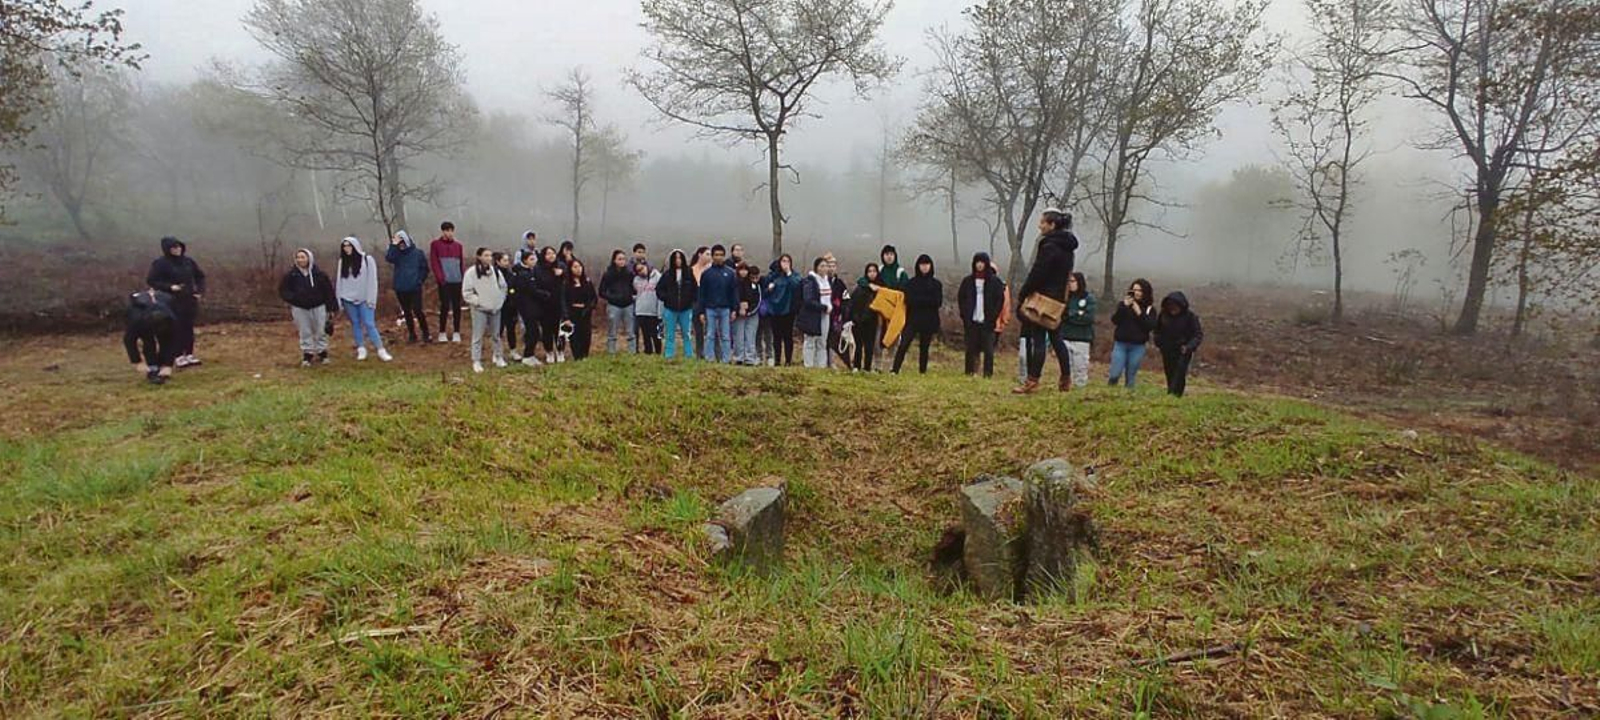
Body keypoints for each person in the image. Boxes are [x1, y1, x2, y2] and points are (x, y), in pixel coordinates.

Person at [1013, 208, 1078, 394]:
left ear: (1052, 225)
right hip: (1058, 300)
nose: (1039, 225)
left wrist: (1024, 292)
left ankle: (1032, 381)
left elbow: (1038, 272)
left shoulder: (1049, 245)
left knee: (1039, 340)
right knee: (1057, 339)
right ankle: (1065, 378)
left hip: (1042, 298)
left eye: (1042, 222)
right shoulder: (1068, 247)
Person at [145, 236, 206, 368]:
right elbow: (152, 281)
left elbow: (200, 276)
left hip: (189, 299)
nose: (177, 249)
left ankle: (189, 354)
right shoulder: (160, 263)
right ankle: (178, 356)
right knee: (175, 328)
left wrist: (199, 291)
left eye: (178, 246)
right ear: (167, 249)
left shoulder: (188, 261)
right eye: (173, 247)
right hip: (171, 301)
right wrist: (170, 287)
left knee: (188, 327)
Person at [335, 237, 393, 362]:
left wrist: (371, 299)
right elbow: (339, 281)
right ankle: (361, 348)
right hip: (347, 298)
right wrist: (339, 299)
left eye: (349, 246)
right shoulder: (342, 261)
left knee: (369, 323)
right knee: (355, 323)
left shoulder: (367, 260)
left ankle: (381, 349)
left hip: (364, 298)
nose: (347, 249)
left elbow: (372, 281)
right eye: (344, 246)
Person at [279, 248, 338, 367]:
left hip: (319, 306)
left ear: (309, 258)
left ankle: (322, 352)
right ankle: (307, 354)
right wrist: (294, 298)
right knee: (305, 331)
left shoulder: (319, 275)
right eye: (298, 257)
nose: (300, 260)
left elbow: (328, 292)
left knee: (321, 330)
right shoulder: (291, 275)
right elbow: (284, 290)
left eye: (303, 257)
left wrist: (332, 308)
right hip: (299, 308)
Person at [893, 255, 943, 375]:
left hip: (929, 320)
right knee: (904, 344)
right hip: (913, 319)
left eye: (927, 264)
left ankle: (922, 371)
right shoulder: (911, 283)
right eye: (922, 265)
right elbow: (909, 300)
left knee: (924, 347)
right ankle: (895, 369)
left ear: (930, 266)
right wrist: (925, 301)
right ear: (918, 266)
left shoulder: (936, 284)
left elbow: (937, 302)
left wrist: (920, 300)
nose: (924, 267)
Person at [958, 252, 1005, 378]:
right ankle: (969, 372)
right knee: (971, 349)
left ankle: (988, 374)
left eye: (982, 262)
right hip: (972, 321)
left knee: (989, 350)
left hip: (988, 322)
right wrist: (964, 315)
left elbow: (999, 300)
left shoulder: (995, 282)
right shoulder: (967, 281)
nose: (979, 265)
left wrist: (993, 317)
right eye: (977, 262)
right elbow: (961, 298)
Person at [461, 247, 508, 372]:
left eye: (490, 255)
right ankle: (476, 360)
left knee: (496, 335)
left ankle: (499, 357)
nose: (489, 258)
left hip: (495, 309)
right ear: (479, 257)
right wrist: (479, 302)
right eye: (486, 255)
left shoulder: (496, 272)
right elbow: (467, 292)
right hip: (479, 309)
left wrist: (499, 301)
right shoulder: (471, 273)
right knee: (478, 336)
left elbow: (503, 287)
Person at [1109, 278, 1157, 388]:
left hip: (1138, 346)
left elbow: (1150, 326)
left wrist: (1139, 312)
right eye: (1134, 290)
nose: (1136, 293)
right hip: (1121, 344)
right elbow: (1115, 320)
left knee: (1131, 376)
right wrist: (1124, 307)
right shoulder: (1123, 305)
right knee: (1115, 374)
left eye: (1139, 290)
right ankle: (1110, 392)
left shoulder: (1150, 309)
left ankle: (1128, 397)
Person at [385, 230, 432, 344]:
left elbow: (425, 269)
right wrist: (393, 245)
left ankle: (426, 333)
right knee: (406, 312)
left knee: (417, 310)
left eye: (402, 242)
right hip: (401, 288)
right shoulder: (396, 254)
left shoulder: (417, 253)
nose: (401, 245)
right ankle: (412, 335)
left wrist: (419, 280)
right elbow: (389, 258)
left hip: (414, 287)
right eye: (399, 243)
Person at [1154, 291, 1203, 397]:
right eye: (1170, 306)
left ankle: (1174, 394)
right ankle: (1171, 392)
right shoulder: (1163, 315)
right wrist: (1159, 343)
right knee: (1169, 372)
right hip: (1167, 350)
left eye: (1175, 306)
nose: (1173, 309)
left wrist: (1189, 347)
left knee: (1179, 373)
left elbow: (1197, 335)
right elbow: (1157, 331)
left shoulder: (1190, 317)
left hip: (1183, 351)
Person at [124, 287, 177, 385]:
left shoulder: (172, 318)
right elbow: (129, 340)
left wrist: (168, 364)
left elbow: (173, 340)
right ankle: (153, 368)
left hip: (164, 305)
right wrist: (137, 362)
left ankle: (162, 366)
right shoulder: (136, 319)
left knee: (166, 340)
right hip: (142, 315)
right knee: (148, 340)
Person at [699, 244, 738, 363]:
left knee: (726, 336)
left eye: (721, 255)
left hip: (725, 308)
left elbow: (733, 292)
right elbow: (702, 293)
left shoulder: (730, 273)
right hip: (710, 308)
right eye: (716, 255)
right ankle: (709, 358)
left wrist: (734, 309)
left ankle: (726, 359)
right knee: (710, 334)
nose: (719, 257)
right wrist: (701, 311)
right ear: (712, 256)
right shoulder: (706, 274)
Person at [658, 249, 698, 360]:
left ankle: (689, 355)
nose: (678, 260)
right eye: (675, 258)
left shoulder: (689, 273)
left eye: (680, 258)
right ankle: (669, 355)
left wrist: (691, 301)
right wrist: (667, 298)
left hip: (686, 309)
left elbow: (695, 289)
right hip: (670, 309)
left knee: (687, 333)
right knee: (670, 334)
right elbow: (659, 289)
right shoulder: (667, 274)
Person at [429, 221, 465, 342]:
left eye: (451, 230)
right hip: (444, 281)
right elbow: (434, 262)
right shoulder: (435, 244)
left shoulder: (458, 246)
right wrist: (441, 278)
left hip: (457, 280)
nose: (449, 233)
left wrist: (462, 277)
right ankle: (442, 331)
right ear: (443, 231)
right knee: (444, 305)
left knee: (456, 306)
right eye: (447, 230)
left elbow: (461, 263)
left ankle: (456, 331)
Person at [1060, 272, 1097, 390]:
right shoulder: (1065, 298)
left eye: (1073, 281)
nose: (1070, 284)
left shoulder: (1088, 298)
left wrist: (1071, 315)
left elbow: (1088, 318)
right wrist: (1075, 315)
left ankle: (1080, 389)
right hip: (1065, 336)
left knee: (1081, 367)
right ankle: (1067, 388)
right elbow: (1061, 316)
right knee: (1067, 367)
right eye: (1069, 282)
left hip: (1082, 338)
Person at [763, 255, 801, 366]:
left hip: (788, 310)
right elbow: (764, 293)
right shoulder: (773, 276)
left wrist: (788, 273)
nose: (785, 263)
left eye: (788, 261)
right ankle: (777, 360)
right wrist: (769, 289)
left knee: (788, 336)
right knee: (776, 337)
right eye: (783, 261)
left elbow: (796, 285)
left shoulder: (794, 276)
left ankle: (788, 360)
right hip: (774, 310)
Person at [510, 251, 546, 366]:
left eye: (534, 259)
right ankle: (527, 355)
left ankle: (530, 354)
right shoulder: (523, 274)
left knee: (534, 331)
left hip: (532, 307)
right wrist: (545, 294)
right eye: (531, 259)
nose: (534, 261)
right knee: (532, 331)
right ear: (525, 260)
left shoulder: (531, 272)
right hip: (526, 307)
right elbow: (531, 290)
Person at [531, 247, 567, 363]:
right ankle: (549, 352)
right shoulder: (538, 268)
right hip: (544, 303)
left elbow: (568, 280)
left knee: (560, 329)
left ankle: (560, 351)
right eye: (548, 254)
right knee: (547, 330)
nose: (551, 256)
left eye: (553, 253)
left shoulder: (561, 266)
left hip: (559, 303)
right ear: (543, 256)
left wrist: (562, 274)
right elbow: (536, 285)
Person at [599, 249, 637, 354]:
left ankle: (632, 352)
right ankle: (611, 352)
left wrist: (631, 296)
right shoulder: (608, 274)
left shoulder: (629, 274)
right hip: (614, 305)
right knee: (612, 331)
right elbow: (601, 291)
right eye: (619, 259)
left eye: (624, 259)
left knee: (631, 331)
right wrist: (612, 297)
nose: (622, 261)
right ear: (614, 260)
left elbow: (634, 288)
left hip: (628, 305)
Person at [798, 257, 833, 369]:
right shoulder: (810, 281)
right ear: (816, 268)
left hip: (825, 315)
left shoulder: (828, 280)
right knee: (810, 340)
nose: (824, 269)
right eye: (821, 266)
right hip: (812, 315)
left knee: (822, 342)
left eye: (826, 266)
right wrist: (823, 307)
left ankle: (821, 366)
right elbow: (808, 300)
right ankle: (808, 365)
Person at [849, 264, 881, 372]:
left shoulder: (880, 288)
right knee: (858, 345)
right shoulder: (860, 287)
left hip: (872, 321)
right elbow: (853, 304)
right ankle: (856, 366)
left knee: (869, 346)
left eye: (874, 271)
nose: (872, 273)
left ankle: (867, 367)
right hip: (859, 320)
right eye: (870, 271)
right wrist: (854, 318)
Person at [564, 259, 597, 360]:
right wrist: (566, 317)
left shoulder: (587, 282)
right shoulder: (566, 284)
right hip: (572, 313)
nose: (578, 269)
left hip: (585, 313)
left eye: (579, 266)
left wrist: (589, 307)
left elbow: (594, 298)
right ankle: (577, 357)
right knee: (575, 336)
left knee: (586, 335)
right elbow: (564, 301)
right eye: (575, 267)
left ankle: (585, 355)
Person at [732, 262, 762, 365]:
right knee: (738, 335)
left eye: (745, 269)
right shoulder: (734, 283)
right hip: (739, 314)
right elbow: (733, 298)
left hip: (752, 314)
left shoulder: (754, 284)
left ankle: (750, 358)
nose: (743, 272)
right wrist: (737, 308)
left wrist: (750, 311)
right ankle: (738, 357)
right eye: (741, 269)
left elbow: (758, 299)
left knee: (750, 336)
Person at [494, 252, 521, 359]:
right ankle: (496, 352)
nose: (507, 263)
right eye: (504, 260)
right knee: (498, 330)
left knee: (511, 329)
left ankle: (513, 350)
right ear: (498, 262)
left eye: (507, 260)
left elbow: (514, 288)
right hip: (498, 306)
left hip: (510, 307)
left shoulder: (511, 274)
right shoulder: (493, 274)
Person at [634, 258, 663, 355]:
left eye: (642, 269)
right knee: (645, 334)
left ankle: (658, 350)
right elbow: (635, 293)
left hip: (654, 311)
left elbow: (661, 295)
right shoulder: (636, 280)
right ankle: (648, 351)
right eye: (638, 271)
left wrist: (660, 312)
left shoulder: (658, 277)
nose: (641, 272)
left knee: (655, 333)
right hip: (641, 311)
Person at [689, 246, 712, 359]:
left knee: (710, 330)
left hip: (709, 302)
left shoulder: (711, 270)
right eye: (707, 254)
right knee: (697, 330)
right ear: (700, 254)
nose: (709, 257)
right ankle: (699, 352)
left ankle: (709, 353)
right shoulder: (691, 270)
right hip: (694, 302)